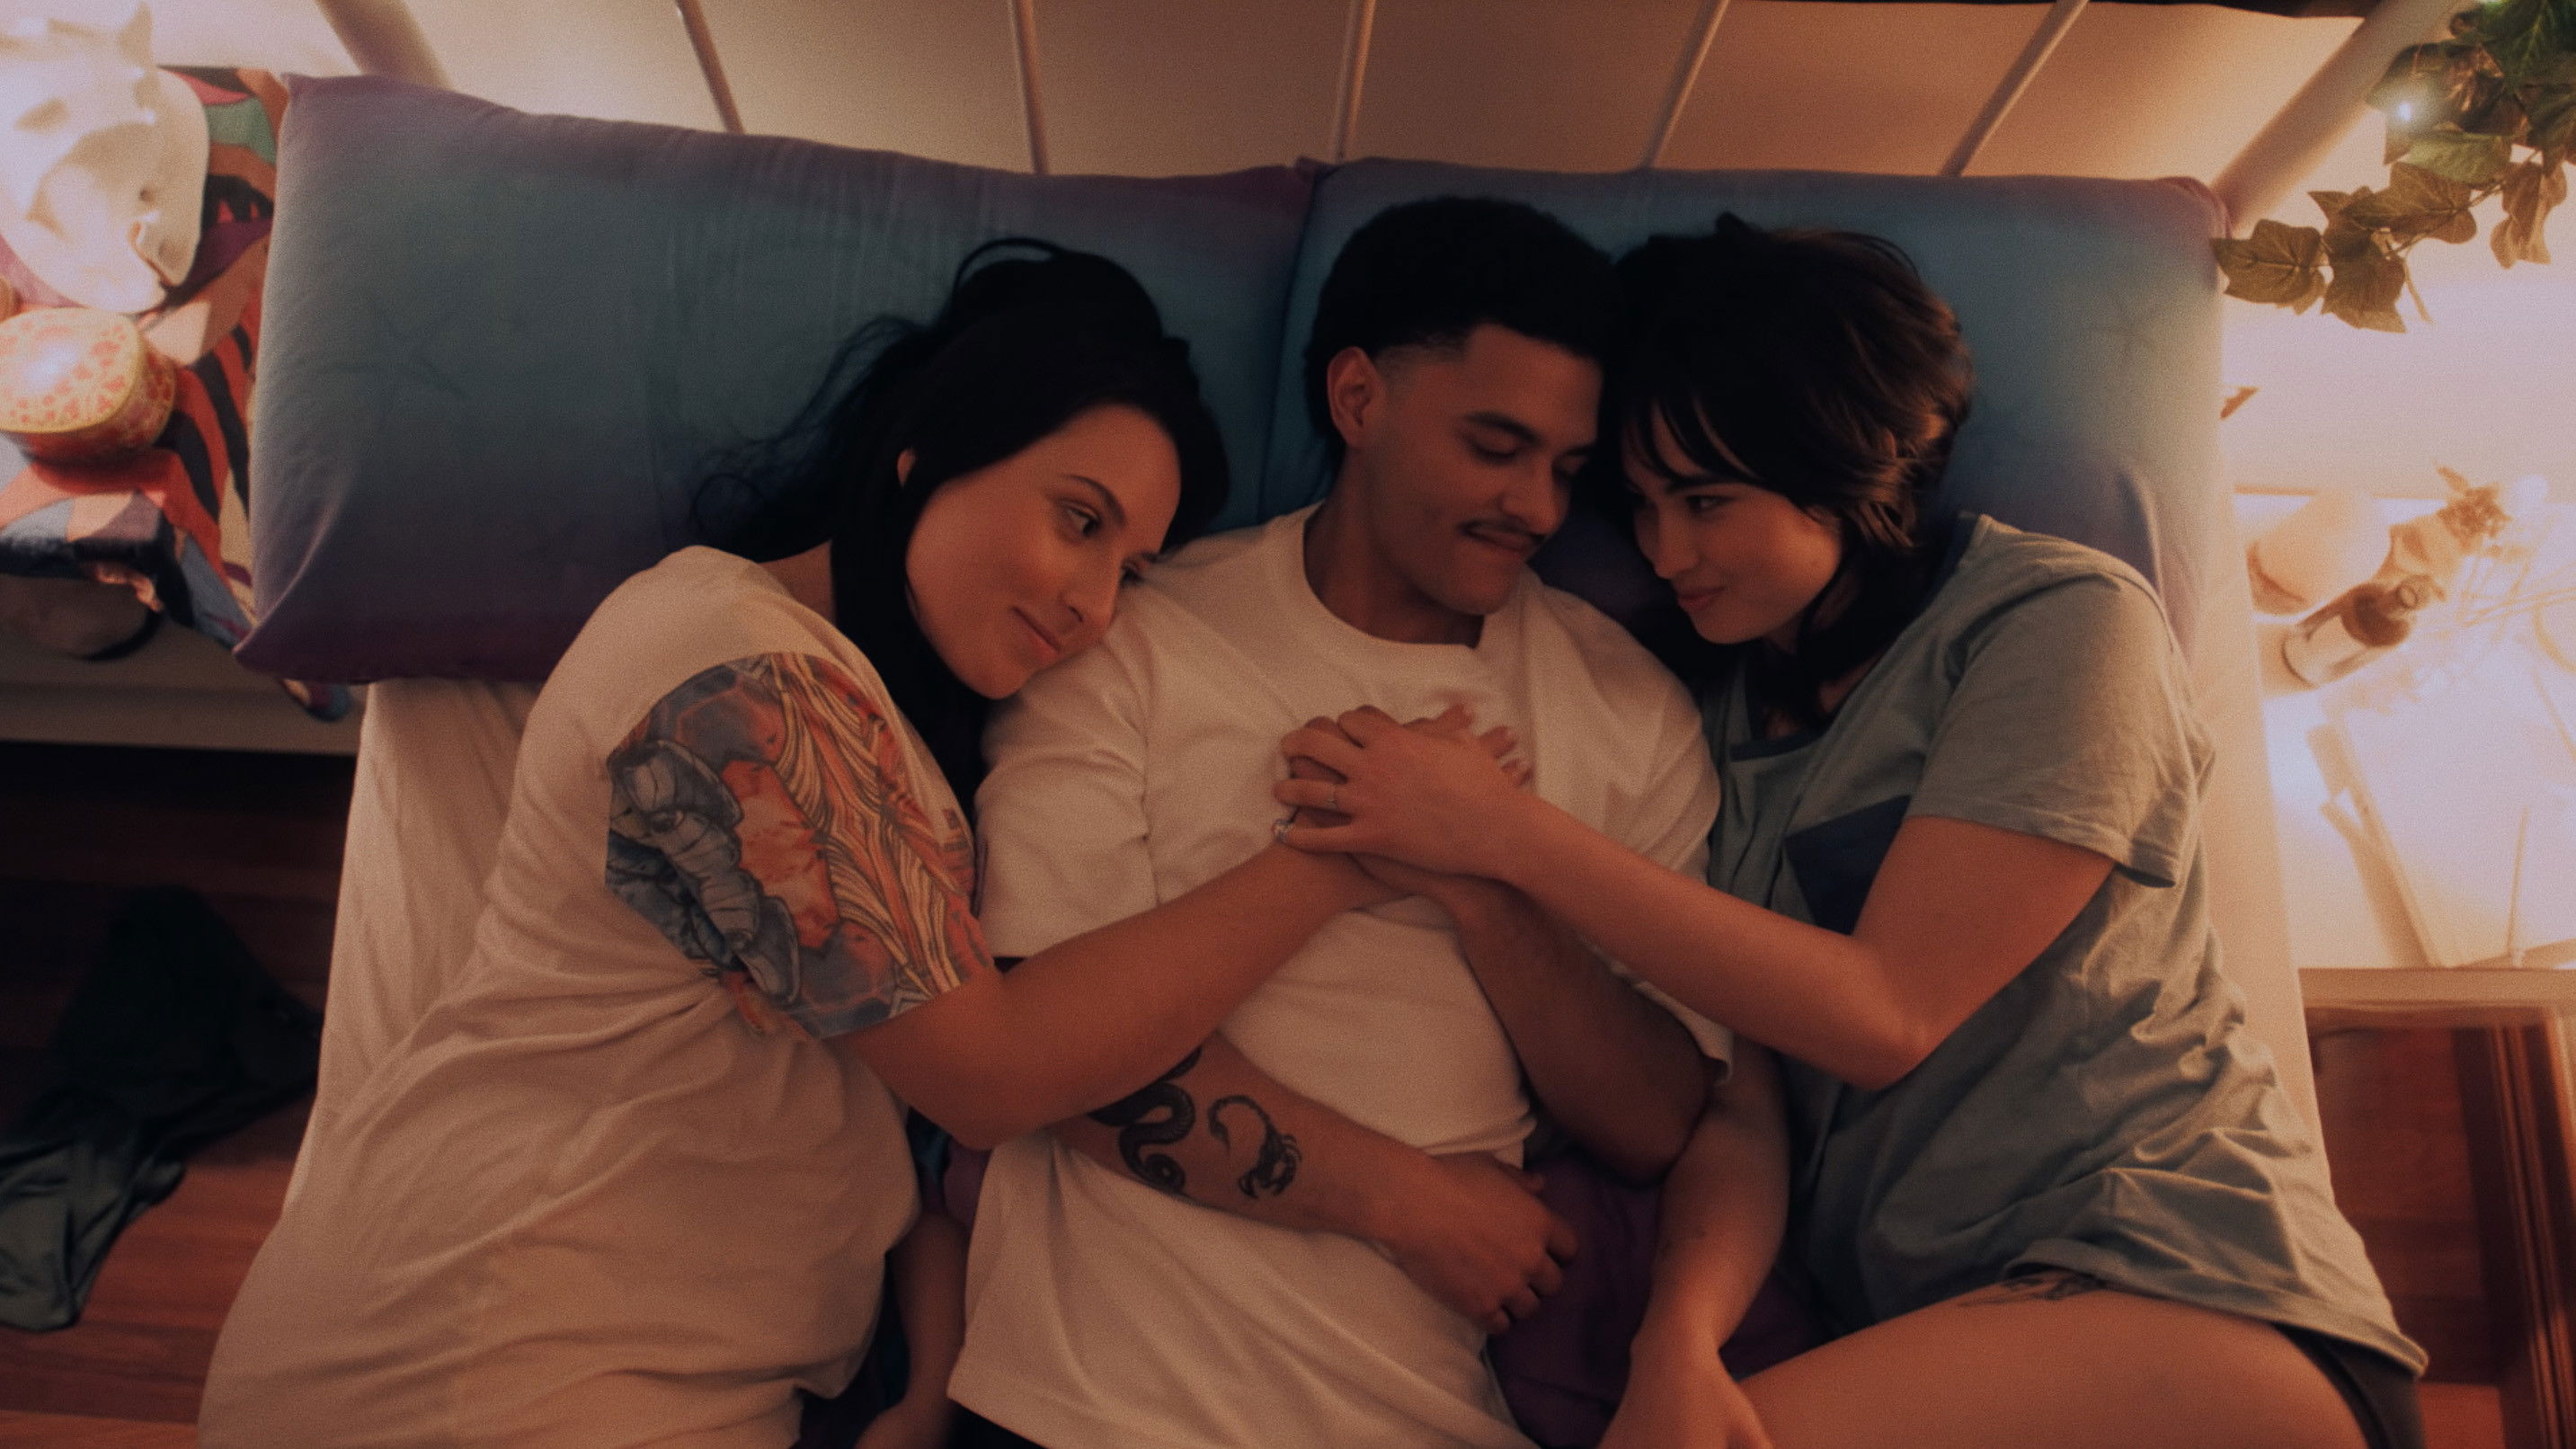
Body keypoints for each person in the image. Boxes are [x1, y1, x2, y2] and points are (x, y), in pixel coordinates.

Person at [198, 241, 1406, 1449]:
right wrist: (1339, 857)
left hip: (660, 1370)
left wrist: (929, 1379)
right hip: (478, 1348)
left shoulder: (883, 740)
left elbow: (869, 1142)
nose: (1095, 605)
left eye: (1130, 570)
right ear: (927, 447)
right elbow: (990, 1075)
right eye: (1077, 520)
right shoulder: (731, 671)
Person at [1270, 216, 2426, 1449]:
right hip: (1924, 1322)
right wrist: (1679, 1340)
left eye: (1706, 502)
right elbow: (1744, 1105)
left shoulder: (2052, 620)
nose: (1664, 552)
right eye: (1641, 506)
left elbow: (1884, 1014)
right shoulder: (1708, 720)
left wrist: (1501, 833)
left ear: (1845, 464)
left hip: (2176, 1273)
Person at [943, 196, 1761, 1449]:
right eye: (1495, 446)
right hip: (1089, 1405)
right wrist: (1409, 1201)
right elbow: (1040, 1057)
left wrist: (1485, 877)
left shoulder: (1626, 710)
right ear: (1359, 398)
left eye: (1567, 470)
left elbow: (1657, 1122)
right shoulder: (1131, 635)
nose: (1538, 509)